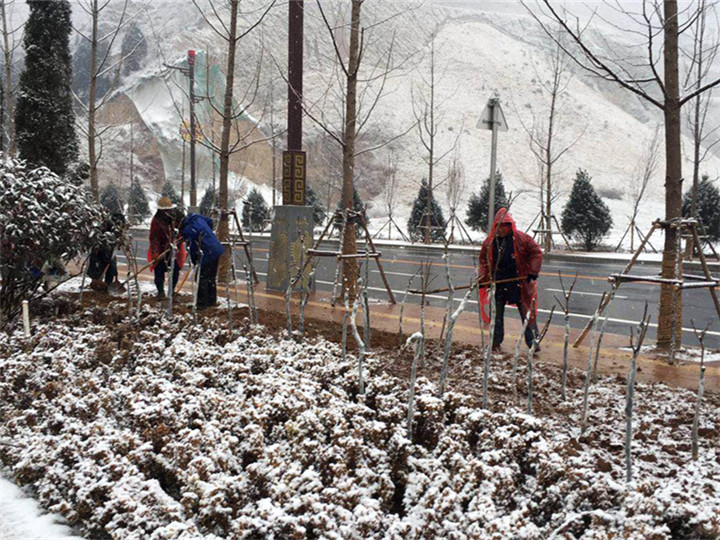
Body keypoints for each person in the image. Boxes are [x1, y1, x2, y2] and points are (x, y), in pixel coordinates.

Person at [478, 208, 543, 352]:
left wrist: (532, 272)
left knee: (527, 313)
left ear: (510, 226)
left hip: (520, 283)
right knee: (496, 314)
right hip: (499, 283)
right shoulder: (489, 242)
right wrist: (483, 278)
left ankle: (533, 343)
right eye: (499, 226)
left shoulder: (522, 239)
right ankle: (495, 341)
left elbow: (536, 253)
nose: (501, 229)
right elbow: (483, 260)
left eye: (505, 226)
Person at [180, 212, 225, 309]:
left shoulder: (188, 230)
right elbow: (210, 221)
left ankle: (201, 304)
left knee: (201, 278)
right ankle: (211, 301)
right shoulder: (196, 217)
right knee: (211, 277)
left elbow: (193, 249)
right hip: (216, 248)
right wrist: (208, 234)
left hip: (206, 252)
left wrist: (194, 261)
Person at [149, 197, 185, 299]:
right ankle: (160, 292)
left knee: (175, 271)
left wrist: (179, 239)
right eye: (164, 210)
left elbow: (183, 230)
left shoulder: (177, 217)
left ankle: (171, 291)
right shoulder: (156, 220)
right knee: (159, 270)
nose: (166, 212)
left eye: (167, 209)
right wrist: (155, 253)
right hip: (161, 248)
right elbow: (154, 237)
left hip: (175, 248)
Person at [86, 212, 125, 291]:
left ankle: (107, 284)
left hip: (109, 250)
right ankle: (97, 282)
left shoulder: (116, 229)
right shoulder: (106, 225)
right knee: (99, 267)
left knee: (111, 266)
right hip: (100, 250)